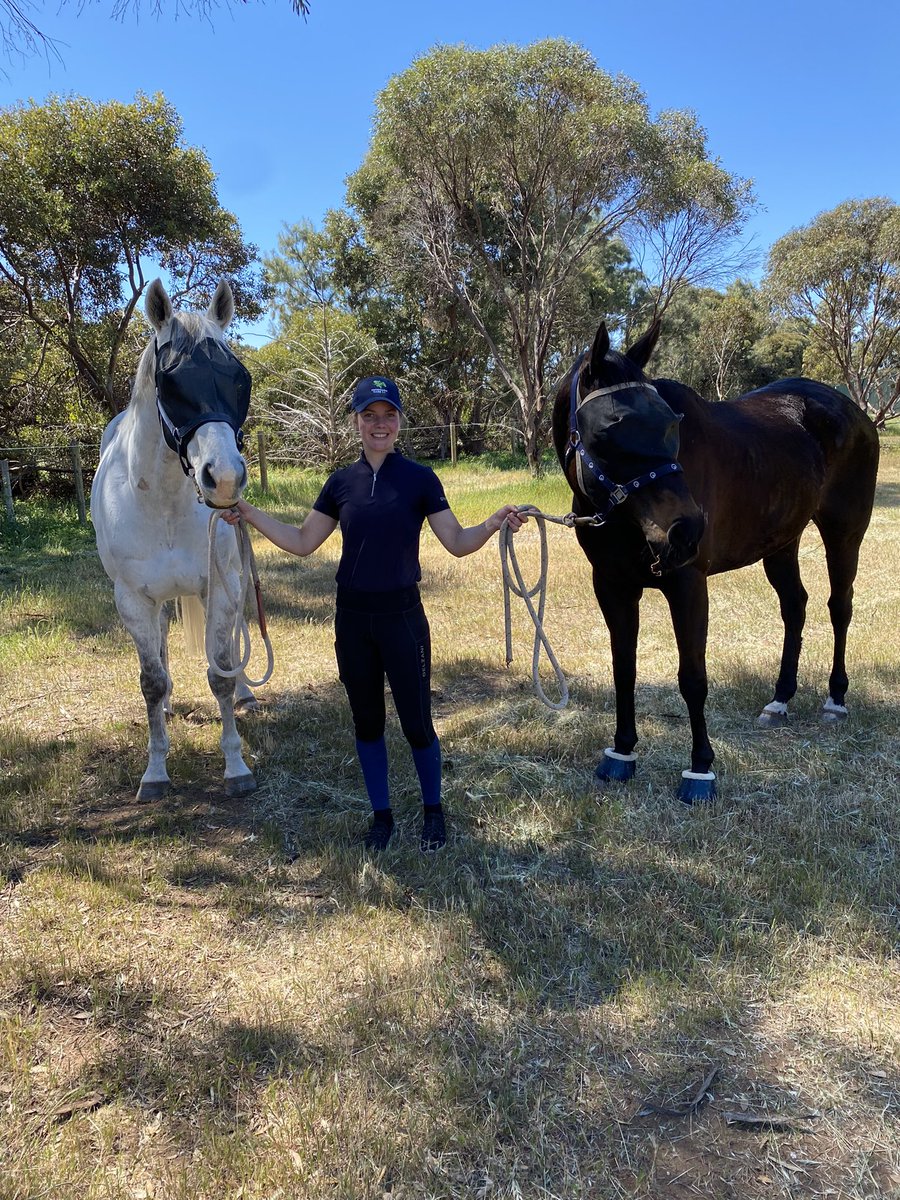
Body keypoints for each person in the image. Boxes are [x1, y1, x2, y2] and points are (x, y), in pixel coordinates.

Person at [224, 375, 526, 852]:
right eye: (369, 416)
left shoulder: (421, 480)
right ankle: (381, 817)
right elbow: (303, 542)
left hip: (403, 619)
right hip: (353, 621)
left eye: (388, 415)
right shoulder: (340, 483)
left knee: (417, 723)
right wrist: (247, 510)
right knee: (366, 723)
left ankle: (433, 811)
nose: (379, 425)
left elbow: (457, 542)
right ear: (357, 422)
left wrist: (494, 522)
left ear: (400, 421)